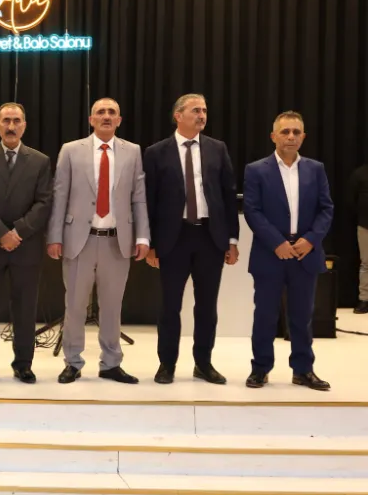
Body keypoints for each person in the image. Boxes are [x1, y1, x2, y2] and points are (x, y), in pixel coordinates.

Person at [47, 98, 150, 384]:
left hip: (117, 241)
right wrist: (54, 236)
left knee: (112, 307)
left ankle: (111, 364)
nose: (106, 116)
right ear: (91, 119)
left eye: (112, 112)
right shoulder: (71, 150)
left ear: (119, 120)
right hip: (79, 240)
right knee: (75, 305)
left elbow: (139, 197)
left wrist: (143, 235)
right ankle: (73, 362)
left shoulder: (132, 151)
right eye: (100, 112)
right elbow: (60, 195)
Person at [143, 94, 240, 385]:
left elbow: (228, 195)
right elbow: (149, 201)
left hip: (210, 237)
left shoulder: (217, 149)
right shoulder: (156, 152)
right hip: (173, 239)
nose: (202, 115)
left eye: (204, 110)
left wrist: (232, 240)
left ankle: (203, 363)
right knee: (169, 306)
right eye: (196, 110)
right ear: (178, 115)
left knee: (207, 306)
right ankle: (167, 364)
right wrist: (150, 243)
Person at [243, 111, 333, 391]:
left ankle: (303, 370)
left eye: (296, 132)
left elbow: (326, 209)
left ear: (303, 137)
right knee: (265, 315)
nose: (291, 136)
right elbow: (252, 210)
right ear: (274, 136)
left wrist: (311, 240)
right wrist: (277, 243)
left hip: (305, 253)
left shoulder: (315, 169)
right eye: (285, 132)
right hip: (270, 254)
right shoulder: (256, 170)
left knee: (302, 316)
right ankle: (260, 369)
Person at [0, 102, 53, 384]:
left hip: (26, 246)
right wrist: (1, 233)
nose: (11, 126)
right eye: (6, 120)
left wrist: (18, 232)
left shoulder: (40, 161)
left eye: (16, 121)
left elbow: (44, 202)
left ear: (24, 126)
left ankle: (23, 364)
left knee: (25, 308)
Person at [349, 162, 368, 314]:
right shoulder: (360, 173)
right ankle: (364, 299)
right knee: (366, 263)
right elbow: (351, 200)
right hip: (365, 225)